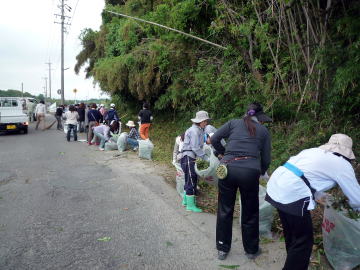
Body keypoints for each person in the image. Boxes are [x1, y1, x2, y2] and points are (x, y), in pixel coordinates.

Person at [265, 133, 360, 270]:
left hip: (277, 185)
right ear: (347, 153)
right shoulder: (342, 164)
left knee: (292, 233)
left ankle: (295, 260)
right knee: (304, 241)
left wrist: (318, 195)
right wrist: (352, 208)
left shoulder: (313, 151)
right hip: (292, 192)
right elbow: (357, 199)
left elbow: (302, 174)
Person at [210, 102, 272, 261]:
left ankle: (223, 248)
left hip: (227, 170)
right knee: (250, 212)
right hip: (250, 173)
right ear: (259, 117)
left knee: (225, 209)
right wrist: (261, 171)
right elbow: (266, 159)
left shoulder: (233, 123)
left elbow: (214, 138)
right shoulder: (263, 131)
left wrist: (224, 153)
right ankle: (251, 250)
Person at [180, 110, 211, 213]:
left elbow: (202, 143)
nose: (206, 123)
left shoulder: (198, 130)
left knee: (189, 179)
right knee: (192, 180)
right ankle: (190, 205)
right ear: (200, 121)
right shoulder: (194, 131)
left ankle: (185, 201)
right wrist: (206, 158)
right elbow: (195, 147)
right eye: (205, 121)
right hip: (188, 157)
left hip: (188, 158)